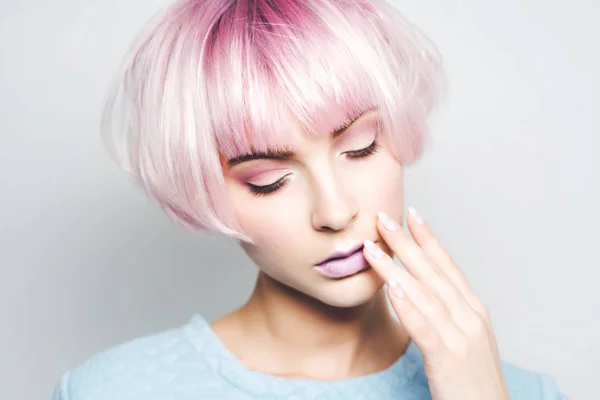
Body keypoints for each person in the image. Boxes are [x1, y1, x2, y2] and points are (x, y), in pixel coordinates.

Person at [52, 0, 566, 398]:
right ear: (200, 187)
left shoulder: (521, 394)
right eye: (269, 180)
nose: (336, 212)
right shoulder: (109, 391)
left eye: (360, 149)